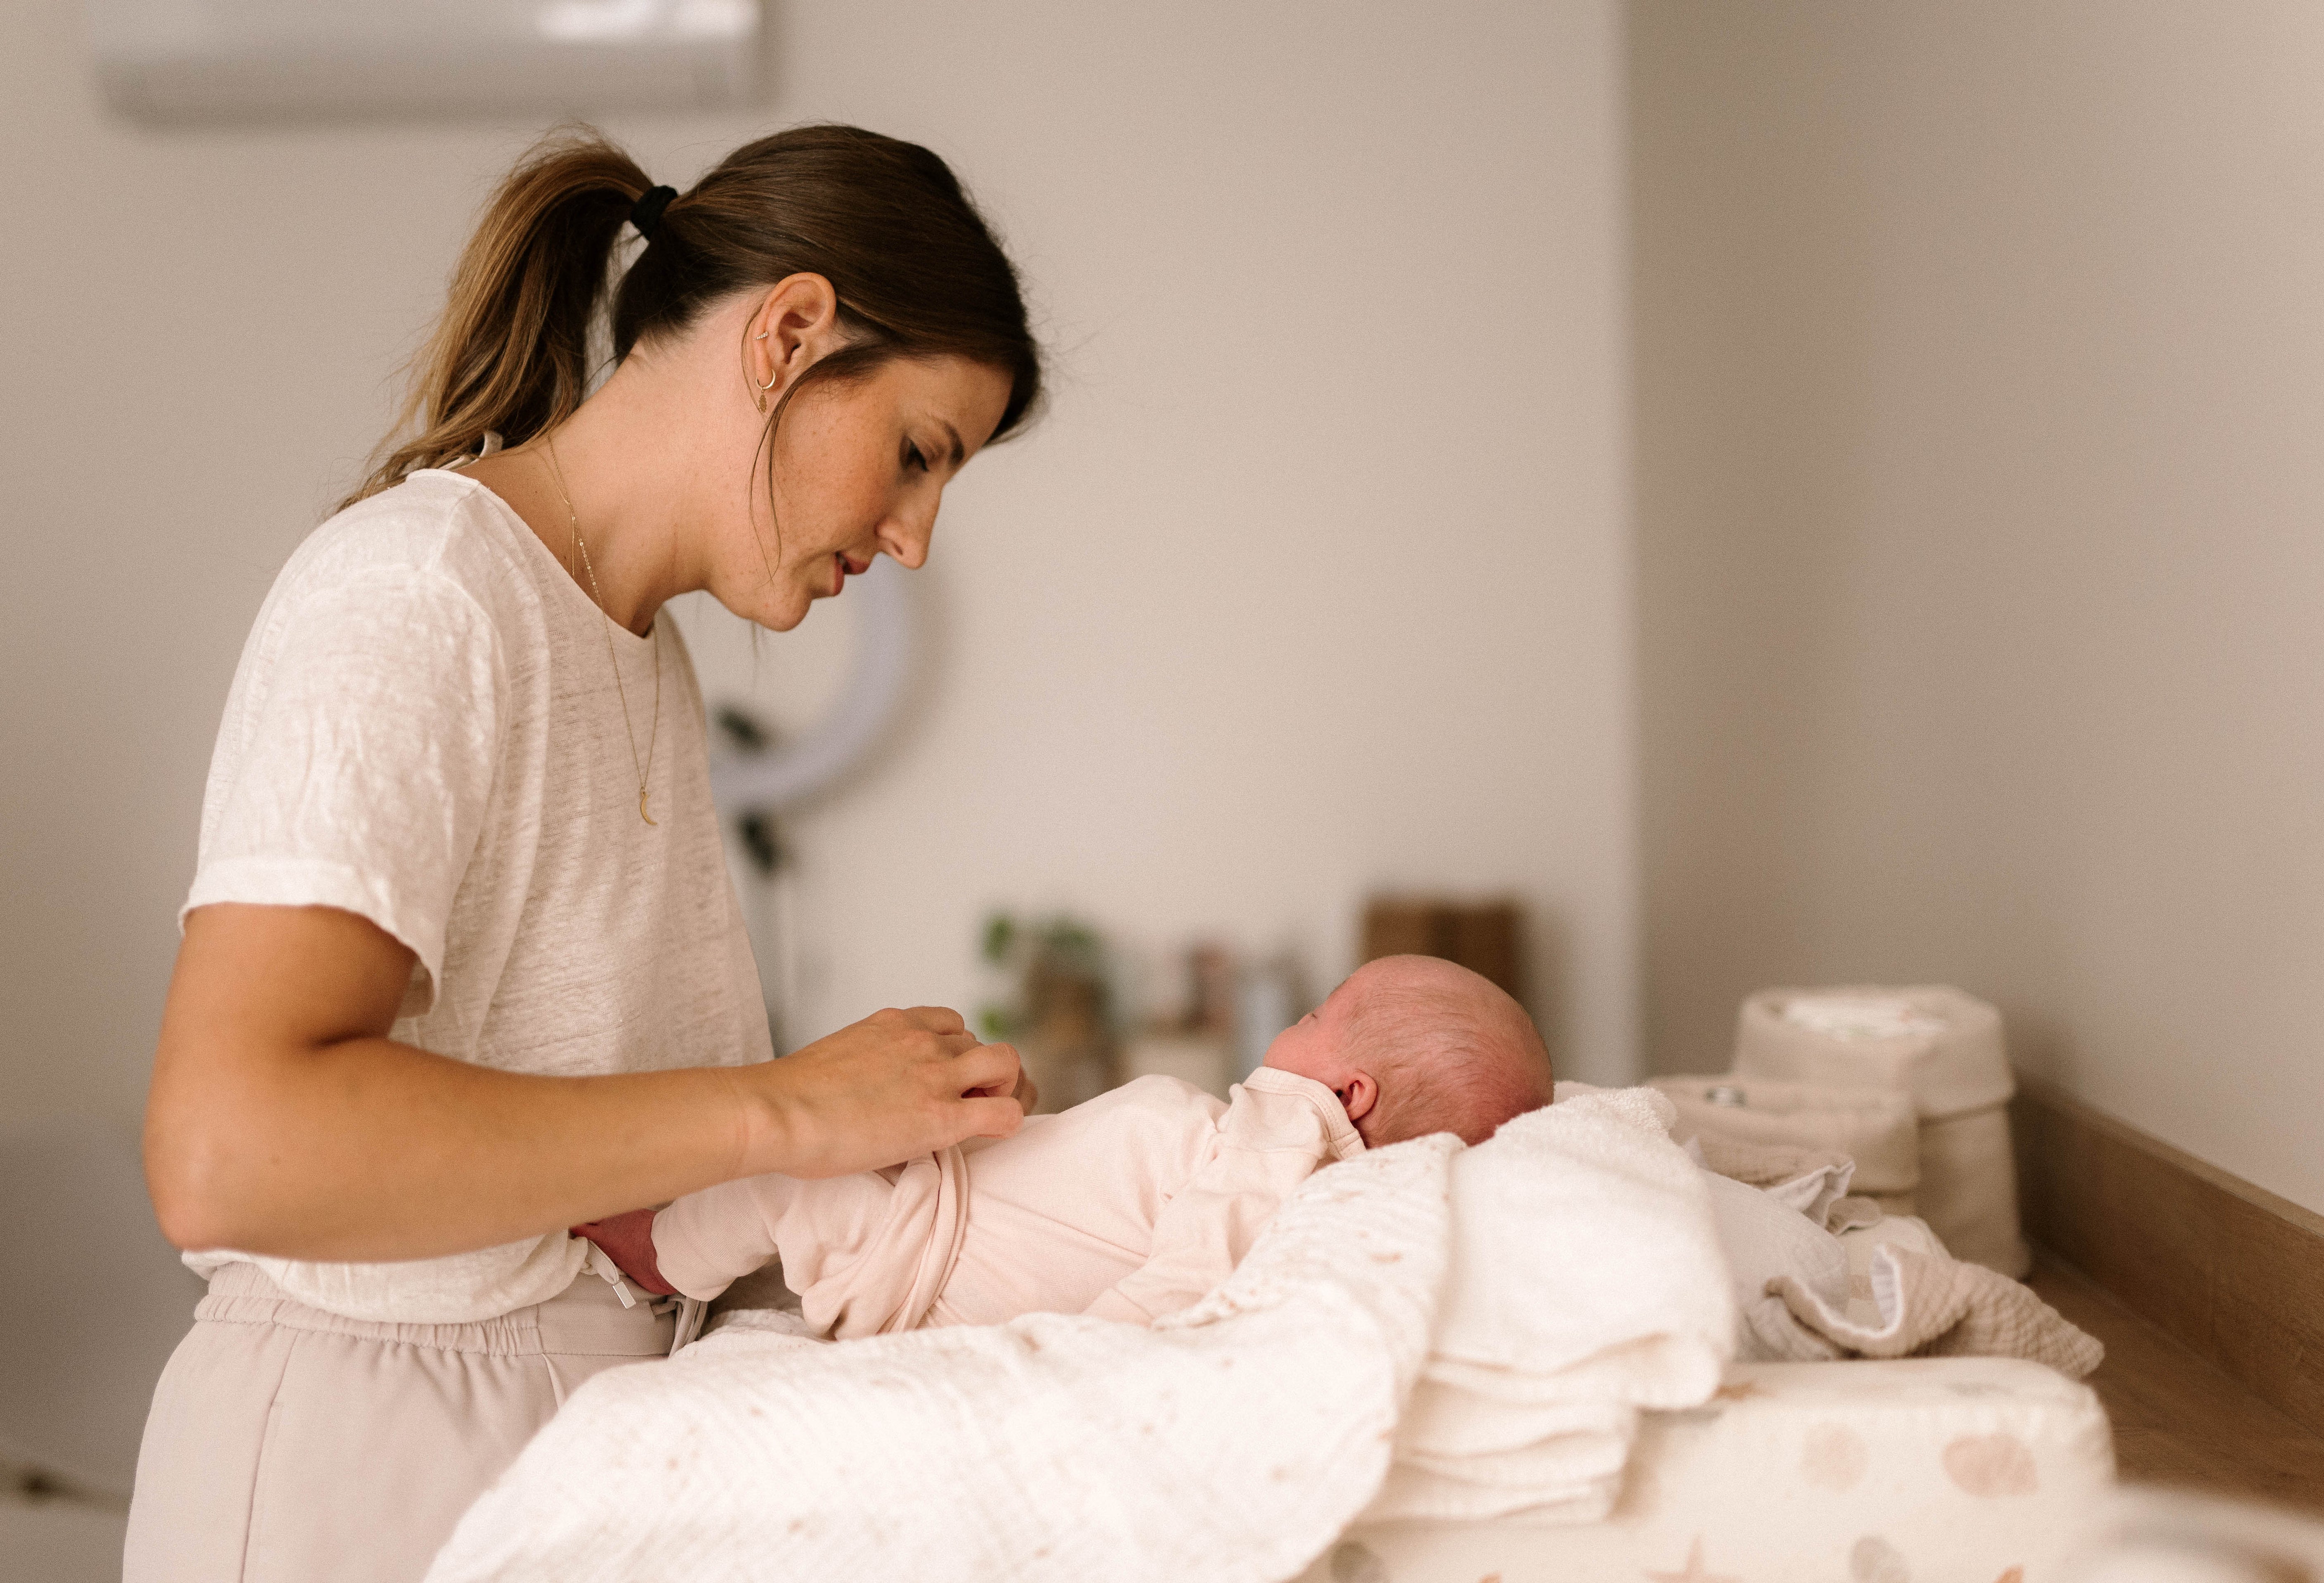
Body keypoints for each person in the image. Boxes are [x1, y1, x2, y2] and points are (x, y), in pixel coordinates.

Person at [127, 123, 1044, 1583]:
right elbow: (228, 1147)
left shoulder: (638, 656)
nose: (916, 535)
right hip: (360, 1476)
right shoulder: (422, 595)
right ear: (792, 334)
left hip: (561, 1463)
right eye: (917, 454)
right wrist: (782, 1111)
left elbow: (616, 1190)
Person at [577, 956, 1555, 1337]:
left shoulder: (1284, 1138)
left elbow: (1190, 1274)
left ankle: (656, 1249)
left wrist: (1094, 1351)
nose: (1288, 1027)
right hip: (962, 1213)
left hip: (941, 1240)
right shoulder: (1291, 1161)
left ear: (1351, 1092)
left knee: (795, 1183)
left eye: (1313, 1013)